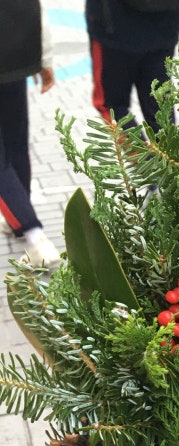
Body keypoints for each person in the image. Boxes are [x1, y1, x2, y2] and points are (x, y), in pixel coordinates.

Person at [0, 0, 62, 268]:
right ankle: (19, 221)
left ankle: (34, 237)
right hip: (13, 54)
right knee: (15, 142)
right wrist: (43, 57)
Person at [85, 0, 179, 134]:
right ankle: (170, 154)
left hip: (115, 29)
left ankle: (145, 155)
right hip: (165, 25)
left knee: (110, 106)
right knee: (159, 105)